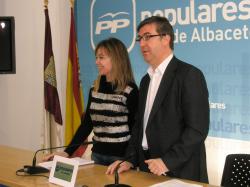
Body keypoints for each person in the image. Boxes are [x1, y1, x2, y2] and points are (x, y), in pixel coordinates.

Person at [106, 16, 209, 183]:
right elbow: (140, 124)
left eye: (148, 37)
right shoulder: (146, 80)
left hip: (179, 170)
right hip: (147, 166)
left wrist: (167, 162)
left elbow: (197, 129)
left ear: (165, 38)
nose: (142, 43)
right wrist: (129, 160)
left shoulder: (189, 75)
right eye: (140, 38)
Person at [43, 37, 138, 166]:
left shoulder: (130, 90)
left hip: (120, 159)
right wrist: (67, 152)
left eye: (101, 57)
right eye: (96, 57)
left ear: (117, 59)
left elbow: (136, 129)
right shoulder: (95, 88)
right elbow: (87, 124)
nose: (97, 62)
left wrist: (129, 160)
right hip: (97, 156)